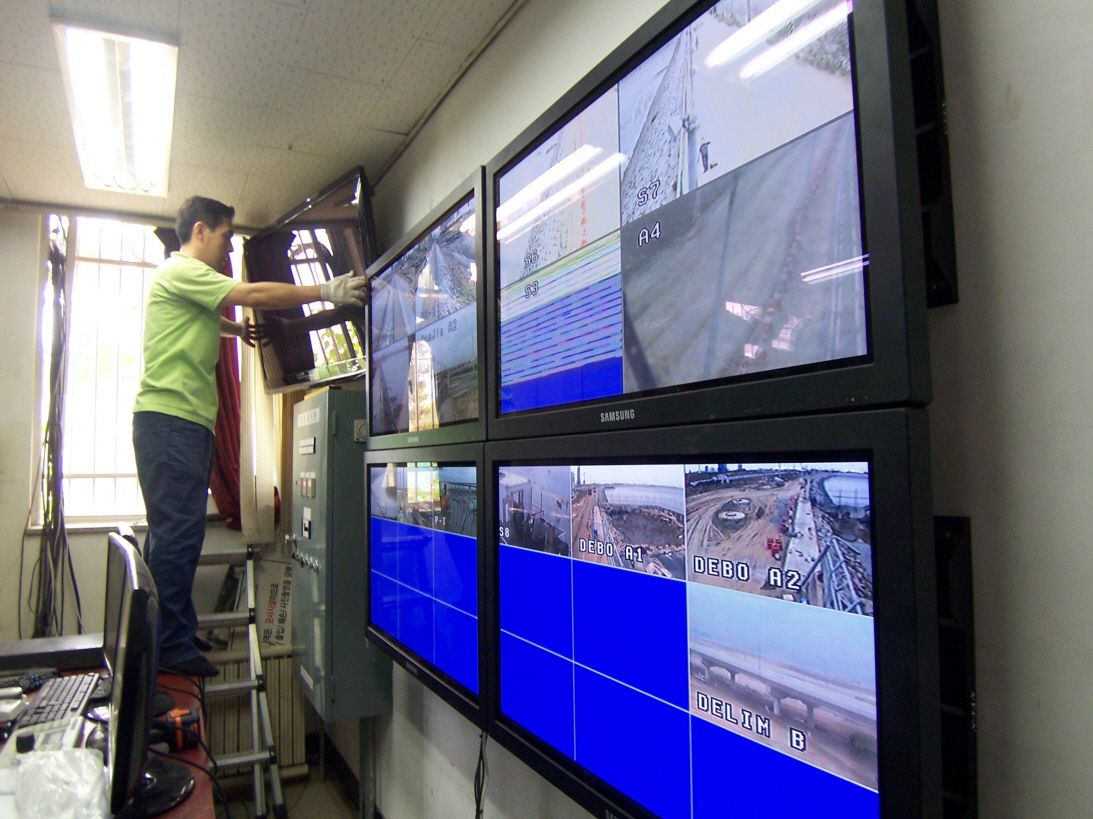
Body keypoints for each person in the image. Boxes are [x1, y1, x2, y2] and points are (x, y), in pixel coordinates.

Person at [132, 196, 365, 677]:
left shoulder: (180, 281)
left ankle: (171, 629)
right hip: (172, 423)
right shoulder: (183, 271)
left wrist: (233, 330)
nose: (225, 251)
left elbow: (208, 312)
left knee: (172, 537)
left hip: (175, 424)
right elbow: (253, 294)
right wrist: (328, 288)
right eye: (223, 238)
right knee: (177, 538)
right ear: (199, 231)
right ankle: (168, 646)